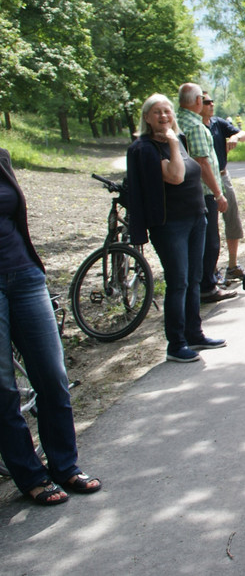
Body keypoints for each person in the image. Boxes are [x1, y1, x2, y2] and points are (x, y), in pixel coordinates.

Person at [0, 148, 102, 505]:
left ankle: (65, 465)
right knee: (3, 388)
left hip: (24, 275)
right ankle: (30, 475)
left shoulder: (1, 158)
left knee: (52, 375)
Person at [127, 94, 227, 363]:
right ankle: (176, 344)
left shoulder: (178, 141)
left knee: (194, 279)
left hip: (195, 218)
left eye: (167, 111)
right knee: (178, 282)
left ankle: (194, 334)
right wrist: (172, 141)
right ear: (147, 118)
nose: (163, 116)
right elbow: (176, 175)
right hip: (170, 224)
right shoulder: (146, 148)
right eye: (157, 112)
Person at [176, 83, 235, 303]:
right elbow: (202, 162)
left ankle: (197, 286)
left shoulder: (177, 121)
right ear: (198, 101)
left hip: (184, 192)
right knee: (210, 241)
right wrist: (218, 194)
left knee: (195, 243)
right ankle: (207, 287)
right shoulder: (196, 126)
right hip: (204, 192)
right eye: (205, 99)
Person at [200, 92, 245, 282]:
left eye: (212, 101)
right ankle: (212, 269)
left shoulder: (218, 123)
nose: (211, 104)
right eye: (206, 102)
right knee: (210, 226)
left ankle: (232, 265)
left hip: (223, 175)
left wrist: (236, 137)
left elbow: (244, 134)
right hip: (204, 180)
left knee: (232, 218)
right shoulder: (195, 127)